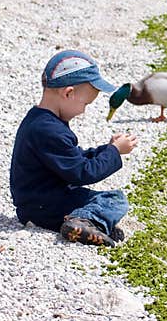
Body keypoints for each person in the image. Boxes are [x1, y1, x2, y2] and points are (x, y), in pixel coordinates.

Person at [10, 50, 138, 247]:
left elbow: (73, 158)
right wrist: (114, 152)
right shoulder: (50, 130)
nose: (84, 111)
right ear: (68, 93)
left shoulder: (39, 120)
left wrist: (107, 148)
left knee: (105, 200)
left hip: (37, 202)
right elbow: (82, 173)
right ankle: (81, 222)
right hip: (43, 206)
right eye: (85, 103)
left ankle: (89, 224)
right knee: (115, 199)